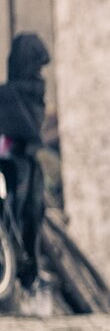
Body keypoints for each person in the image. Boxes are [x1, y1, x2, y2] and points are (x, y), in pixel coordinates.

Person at [0, 33, 50, 293]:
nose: (39, 73)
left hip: (24, 168)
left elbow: (30, 129)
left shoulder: (25, 93)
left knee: (29, 216)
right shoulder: (8, 94)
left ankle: (27, 270)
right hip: (7, 165)